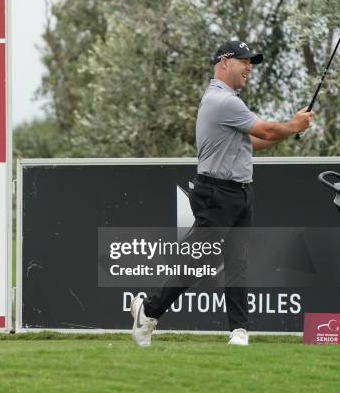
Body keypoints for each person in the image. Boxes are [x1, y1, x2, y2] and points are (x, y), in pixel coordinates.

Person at [131, 40, 314, 347]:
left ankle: (239, 331)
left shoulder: (229, 102)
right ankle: (148, 311)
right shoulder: (223, 101)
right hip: (217, 193)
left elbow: (256, 142)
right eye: (245, 61)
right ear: (225, 62)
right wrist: (291, 125)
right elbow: (267, 131)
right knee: (198, 260)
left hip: (240, 192)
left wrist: (291, 129)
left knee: (237, 261)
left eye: (252, 62)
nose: (250, 67)